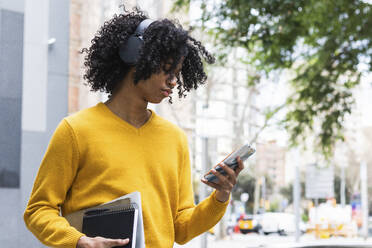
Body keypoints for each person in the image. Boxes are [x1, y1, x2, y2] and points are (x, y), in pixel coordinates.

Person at [24, 7, 245, 248]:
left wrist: (220, 196)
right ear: (134, 56)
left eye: (177, 73)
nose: (173, 81)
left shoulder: (175, 139)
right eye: (166, 69)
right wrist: (78, 241)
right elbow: (38, 210)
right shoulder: (75, 130)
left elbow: (181, 229)